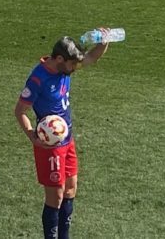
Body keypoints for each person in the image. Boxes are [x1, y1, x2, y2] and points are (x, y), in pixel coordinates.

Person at [14, 29, 110, 238]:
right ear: (59, 59)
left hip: (68, 141)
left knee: (70, 190)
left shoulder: (65, 66)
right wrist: (32, 136)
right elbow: (20, 111)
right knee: (55, 197)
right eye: (71, 65)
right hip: (50, 147)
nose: (74, 69)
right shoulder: (38, 79)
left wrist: (104, 41)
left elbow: (92, 57)